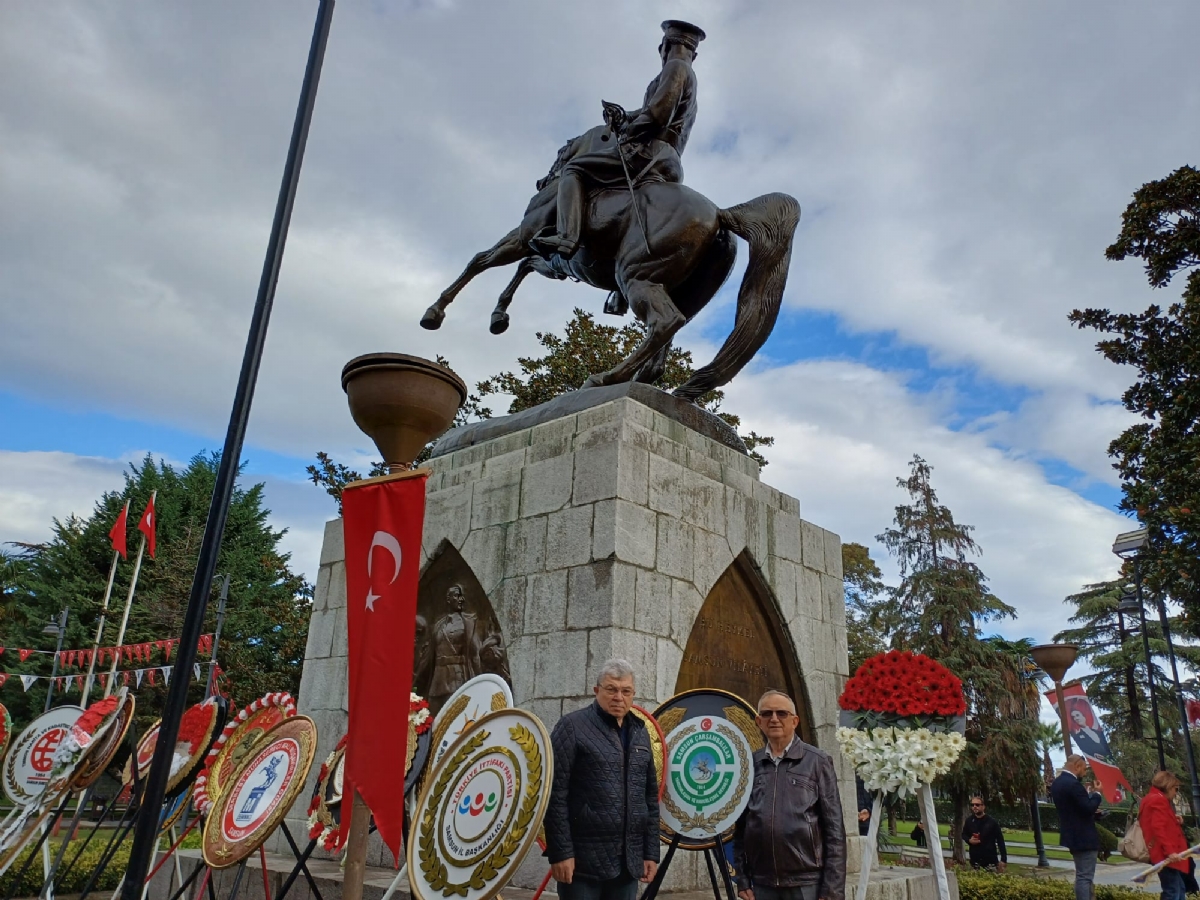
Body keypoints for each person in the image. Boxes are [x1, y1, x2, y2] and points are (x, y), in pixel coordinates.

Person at [530, 20, 705, 260]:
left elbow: (657, 116)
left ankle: (567, 237)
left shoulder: (675, 68)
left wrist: (627, 132)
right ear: (694, 54)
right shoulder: (687, 74)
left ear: (664, 47)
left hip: (650, 155)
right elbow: (650, 110)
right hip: (668, 159)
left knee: (573, 169)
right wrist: (624, 117)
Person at [544, 659, 659, 900]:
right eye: (611, 689)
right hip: (582, 864)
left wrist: (650, 852)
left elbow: (648, 797)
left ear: (633, 694)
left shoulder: (640, 732)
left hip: (628, 863)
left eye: (625, 691)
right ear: (597, 690)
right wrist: (561, 853)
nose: (619, 697)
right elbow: (554, 794)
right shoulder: (572, 727)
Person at [734, 690, 846, 900]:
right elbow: (740, 828)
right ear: (758, 721)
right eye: (767, 714)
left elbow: (834, 830)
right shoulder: (750, 765)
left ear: (795, 721)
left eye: (781, 713)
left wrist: (832, 890)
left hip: (807, 883)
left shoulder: (817, 762)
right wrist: (742, 879)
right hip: (762, 884)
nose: (774, 719)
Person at [1051, 755, 1104, 900]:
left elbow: (1075, 809)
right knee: (1084, 876)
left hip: (1072, 835)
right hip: (1084, 837)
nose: (1085, 773)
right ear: (1077, 766)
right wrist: (1097, 793)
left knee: (1083, 875)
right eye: (1084, 769)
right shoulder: (1073, 784)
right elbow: (1087, 808)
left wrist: (1093, 811)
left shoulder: (1057, 783)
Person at [1139, 770, 1190, 900]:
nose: (1176, 793)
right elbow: (1158, 828)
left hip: (1162, 852)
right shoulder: (1158, 800)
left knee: (1178, 888)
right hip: (1164, 854)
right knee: (1173, 891)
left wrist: (1174, 820)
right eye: (1176, 789)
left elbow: (1157, 823)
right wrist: (1170, 851)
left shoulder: (1151, 798)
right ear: (1168, 786)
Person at [961, 796, 1007, 872]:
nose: (974, 807)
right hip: (975, 860)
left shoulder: (992, 822)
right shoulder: (969, 821)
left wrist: (1003, 859)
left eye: (977, 805)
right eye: (972, 805)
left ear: (983, 806)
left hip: (990, 860)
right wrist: (969, 840)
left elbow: (1000, 841)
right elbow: (964, 834)